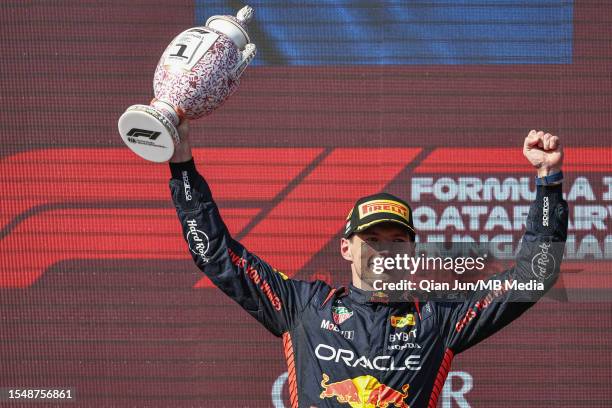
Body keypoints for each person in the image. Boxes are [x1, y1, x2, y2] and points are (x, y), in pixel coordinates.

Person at [168, 123, 567, 408]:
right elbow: (215, 255)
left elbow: (534, 275)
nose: (384, 251)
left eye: (396, 241)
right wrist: (182, 164)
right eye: (372, 240)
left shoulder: (439, 318)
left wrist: (548, 181)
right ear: (346, 248)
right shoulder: (305, 306)